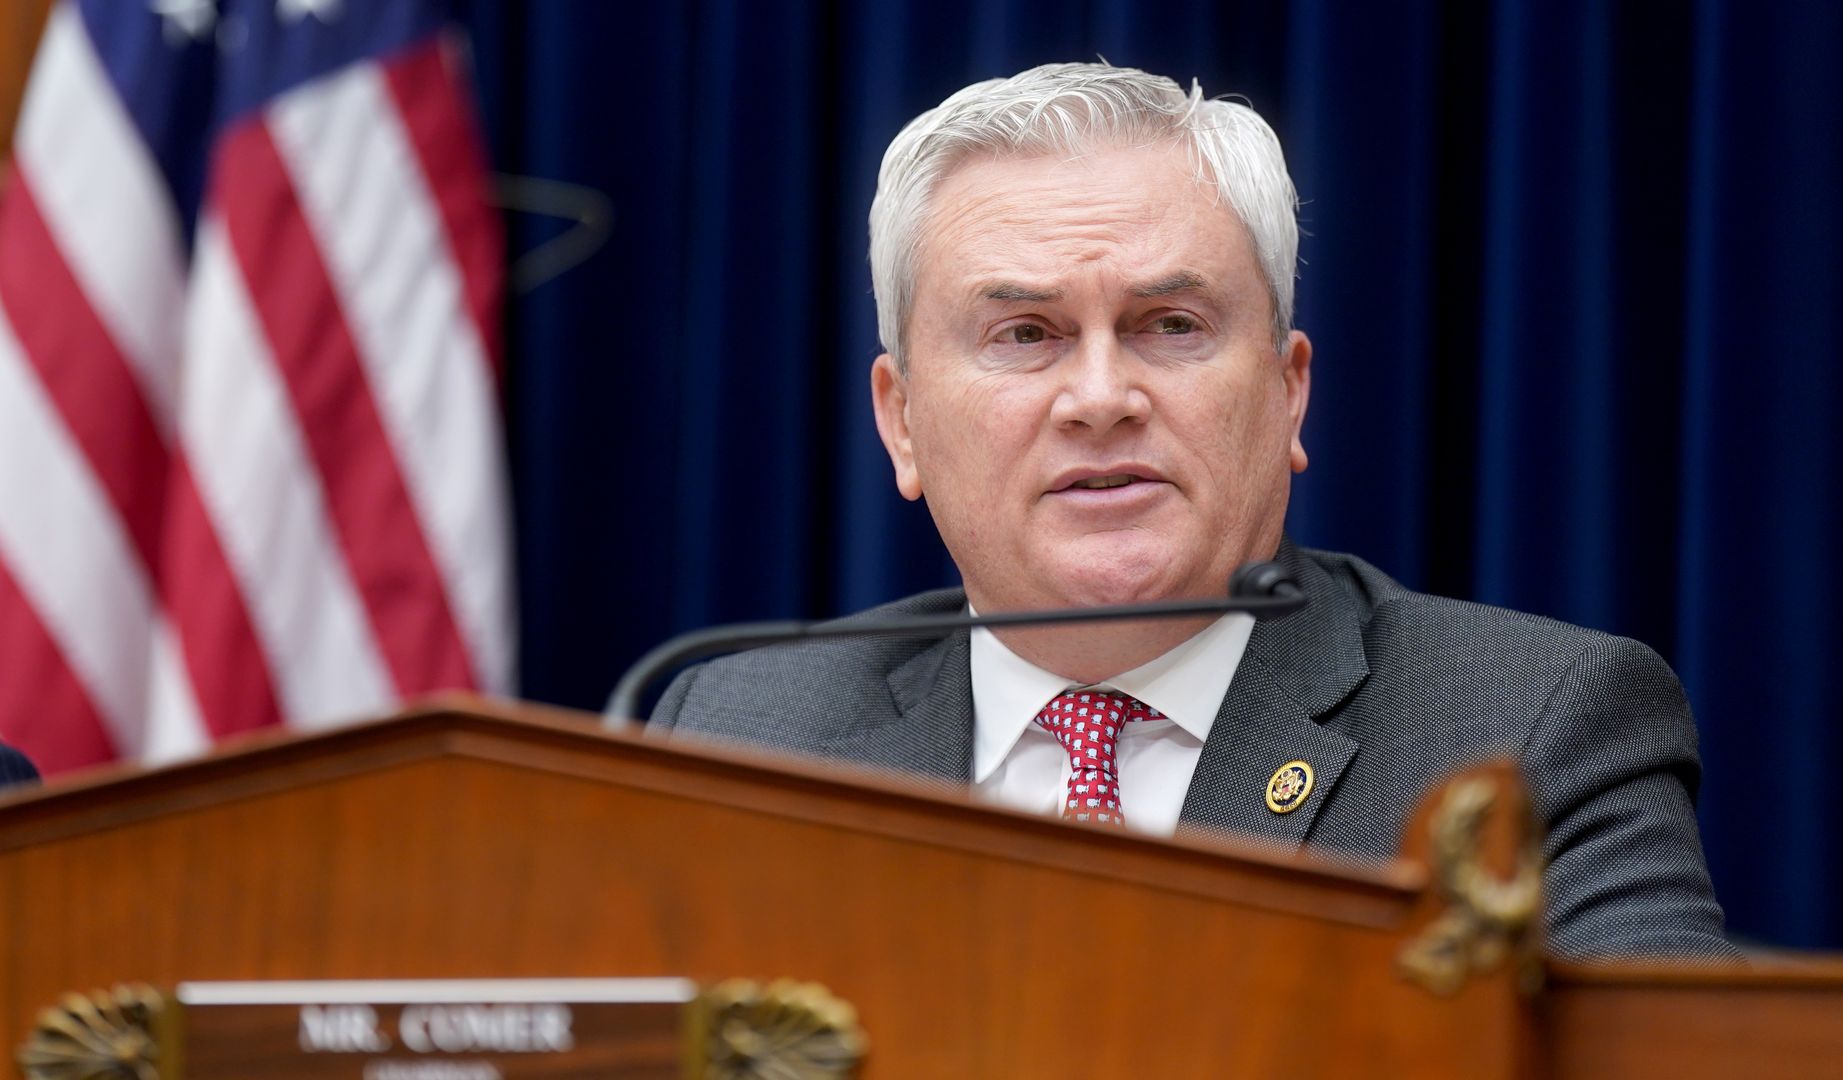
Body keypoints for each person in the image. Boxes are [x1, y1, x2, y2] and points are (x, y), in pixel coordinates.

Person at [651, 62, 1734, 959]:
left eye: (1170, 324)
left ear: (1288, 390)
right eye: (1024, 335)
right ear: (901, 422)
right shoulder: (736, 746)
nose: (1101, 398)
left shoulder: (1529, 734)